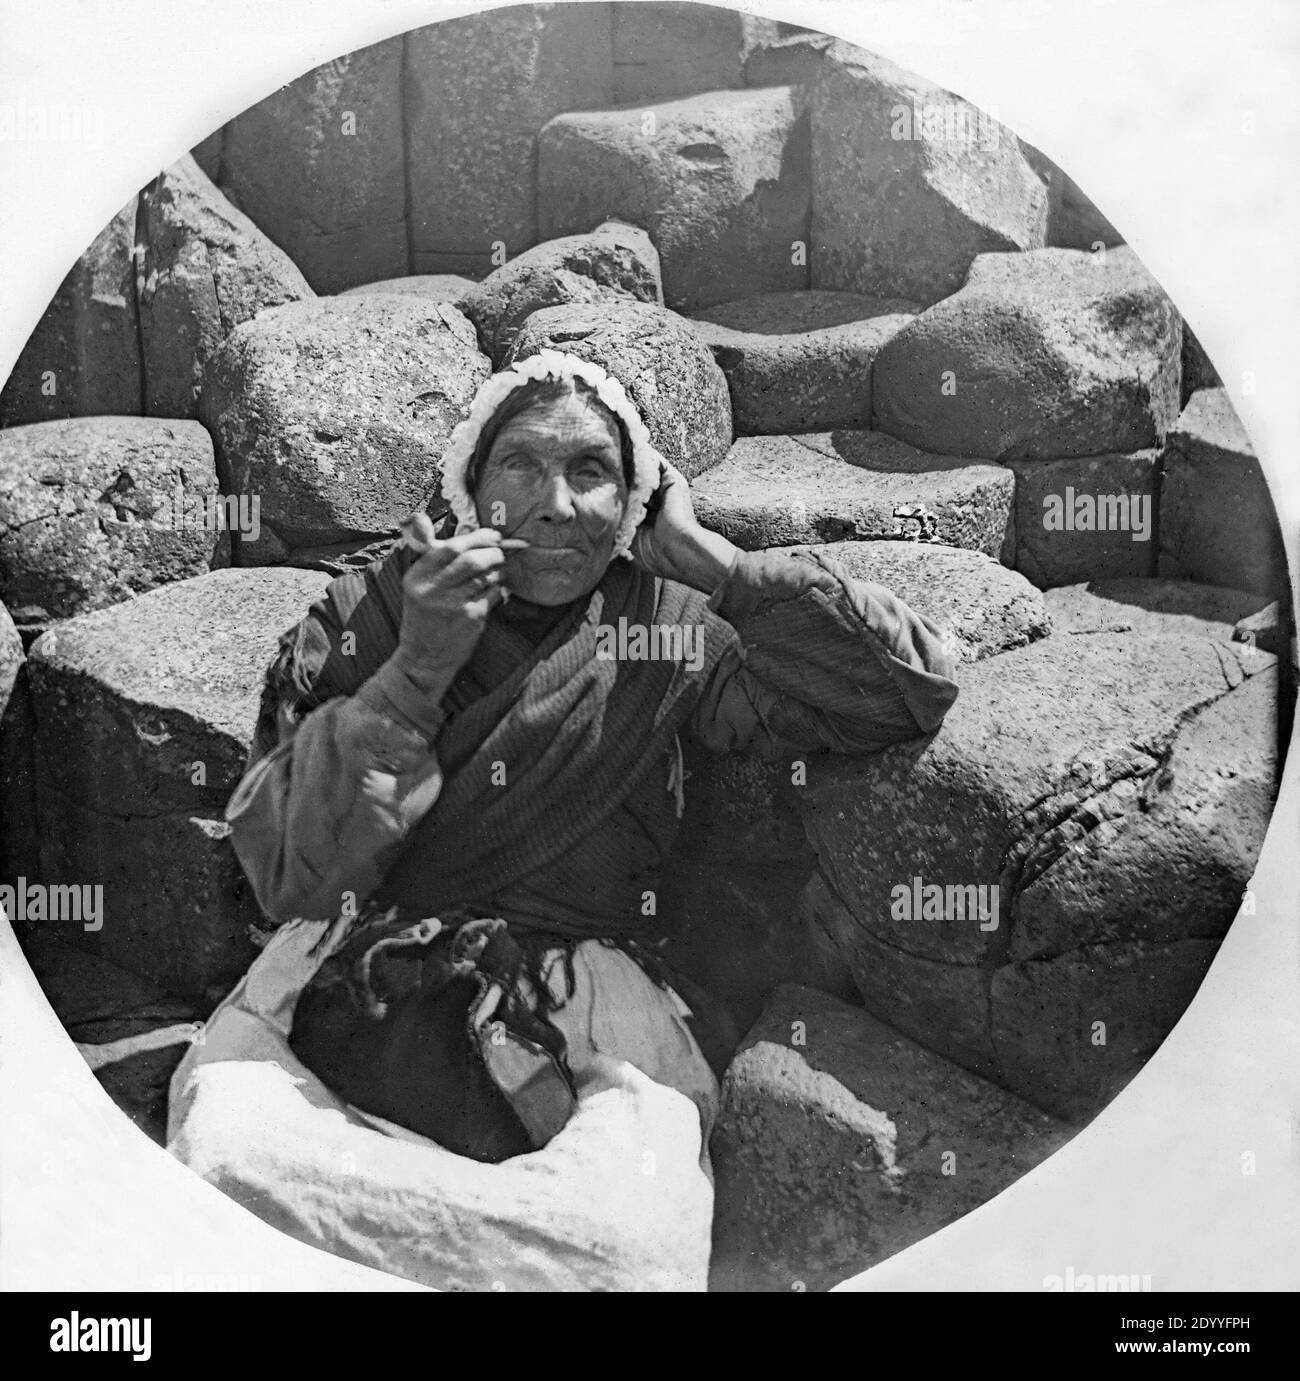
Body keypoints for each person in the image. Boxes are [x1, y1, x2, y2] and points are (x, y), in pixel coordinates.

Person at [168, 348, 959, 1290]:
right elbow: (286, 871)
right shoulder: (372, 609)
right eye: (521, 466)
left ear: (633, 501)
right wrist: (414, 670)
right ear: (471, 483)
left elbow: (901, 689)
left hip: (582, 996)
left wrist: (712, 560)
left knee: (619, 1250)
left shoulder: (664, 624)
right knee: (227, 1160)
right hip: (357, 960)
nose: (555, 503)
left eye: (593, 472)